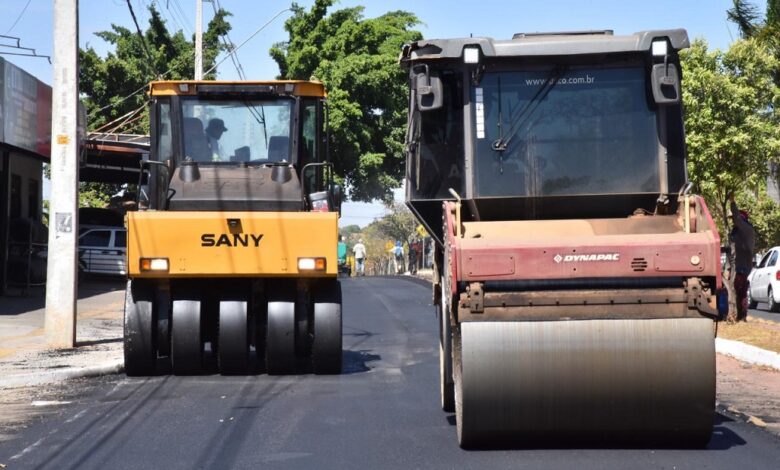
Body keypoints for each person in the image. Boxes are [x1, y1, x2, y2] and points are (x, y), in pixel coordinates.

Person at [730, 194, 756, 321]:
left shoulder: (746, 228)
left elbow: (737, 220)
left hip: (743, 265)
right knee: (737, 290)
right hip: (739, 264)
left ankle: (742, 316)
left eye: (734, 219)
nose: (733, 222)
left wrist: (732, 202)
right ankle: (740, 315)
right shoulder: (738, 231)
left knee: (741, 291)